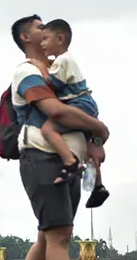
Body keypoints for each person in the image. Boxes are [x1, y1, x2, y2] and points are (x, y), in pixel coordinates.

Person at [0, 15, 109, 260]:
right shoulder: (27, 72)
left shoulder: (57, 71)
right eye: (38, 27)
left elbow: (78, 108)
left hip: (68, 161)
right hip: (42, 158)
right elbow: (56, 112)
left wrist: (94, 140)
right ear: (25, 37)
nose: (44, 31)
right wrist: (99, 127)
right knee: (59, 235)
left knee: (48, 236)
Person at [30, 19, 109, 208]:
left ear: (60, 38)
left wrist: (39, 66)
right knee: (90, 147)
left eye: (45, 39)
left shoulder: (62, 61)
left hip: (78, 104)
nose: (42, 44)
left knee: (48, 129)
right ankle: (97, 184)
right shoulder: (68, 60)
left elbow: (51, 83)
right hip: (88, 104)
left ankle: (70, 162)